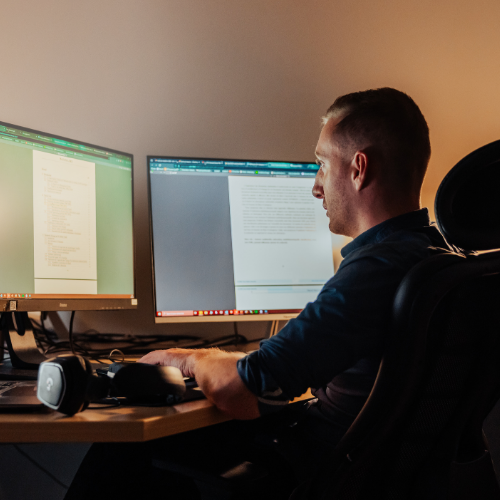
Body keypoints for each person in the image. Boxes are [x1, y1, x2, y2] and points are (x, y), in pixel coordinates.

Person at [65, 88, 449, 499]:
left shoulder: (375, 271)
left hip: (307, 473)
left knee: (123, 449)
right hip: (368, 474)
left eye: (321, 164)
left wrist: (185, 359)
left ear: (358, 168)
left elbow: (247, 391)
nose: (316, 187)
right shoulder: (436, 259)